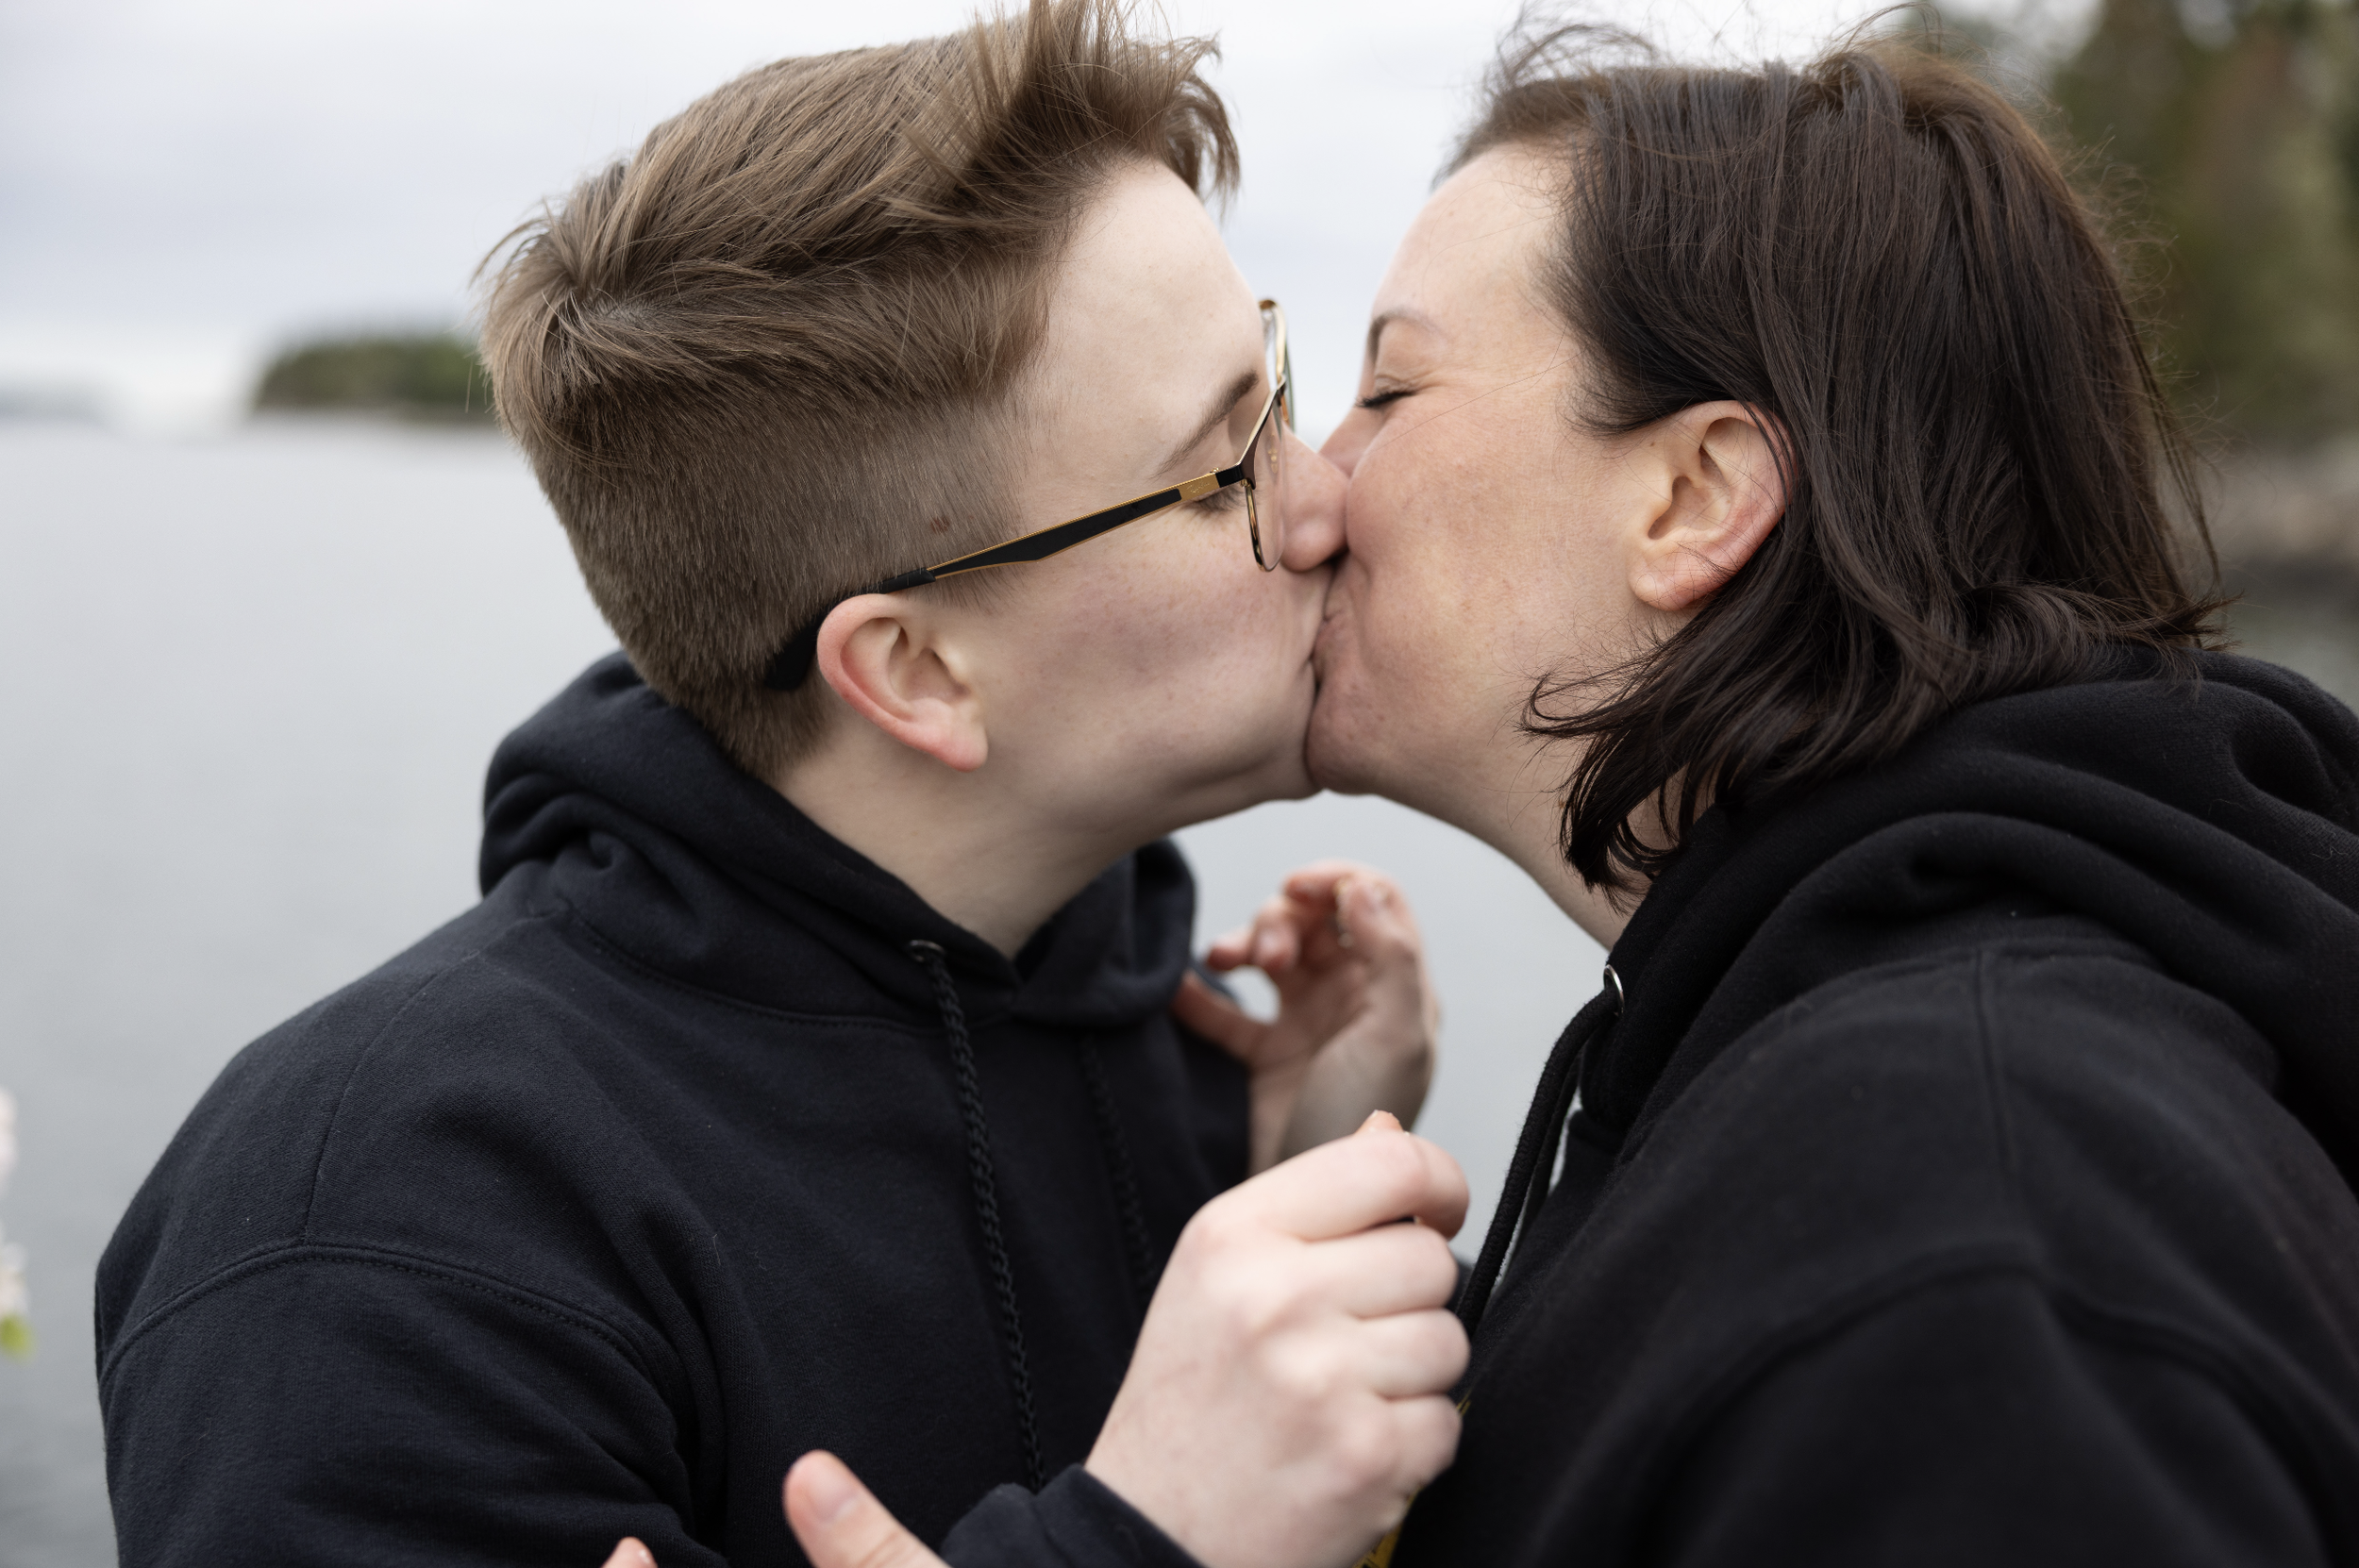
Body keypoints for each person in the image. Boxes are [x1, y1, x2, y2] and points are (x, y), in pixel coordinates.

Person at [782, 22, 2359, 1568]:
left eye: (1389, 393)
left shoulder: (1978, 1243)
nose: (1316, 485)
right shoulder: (1842, 1091)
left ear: (1693, 499)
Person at [94, 5, 1473, 1565]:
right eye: (1227, 460)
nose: (1326, 501)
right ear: (917, 673)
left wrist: (1289, 1186)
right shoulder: (378, 1234)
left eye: (1278, 389)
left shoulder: (1183, 1047)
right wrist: (1145, 1538)